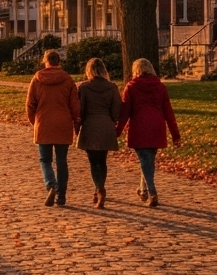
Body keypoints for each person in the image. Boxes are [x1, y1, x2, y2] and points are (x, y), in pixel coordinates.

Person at [116, 57, 182, 208]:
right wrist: (175, 135)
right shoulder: (160, 87)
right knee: (147, 162)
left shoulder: (131, 87)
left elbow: (125, 112)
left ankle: (152, 192)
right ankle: (142, 190)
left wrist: (118, 130)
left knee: (146, 162)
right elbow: (168, 113)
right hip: (157, 127)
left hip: (140, 127)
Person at [25, 49, 79, 207]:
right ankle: (61, 196)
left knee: (45, 160)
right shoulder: (68, 79)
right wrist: (76, 122)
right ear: (59, 61)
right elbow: (75, 105)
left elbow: (30, 105)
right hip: (63, 123)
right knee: (62, 161)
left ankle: (51, 184)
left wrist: (35, 122)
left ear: (45, 61)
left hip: (44, 122)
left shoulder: (37, 79)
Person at [75, 57, 121, 209]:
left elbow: (80, 109)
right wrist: (112, 121)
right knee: (102, 160)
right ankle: (100, 186)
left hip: (90, 124)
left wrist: (78, 125)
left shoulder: (84, 87)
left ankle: (98, 188)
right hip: (106, 124)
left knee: (93, 161)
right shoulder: (112, 87)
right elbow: (116, 110)